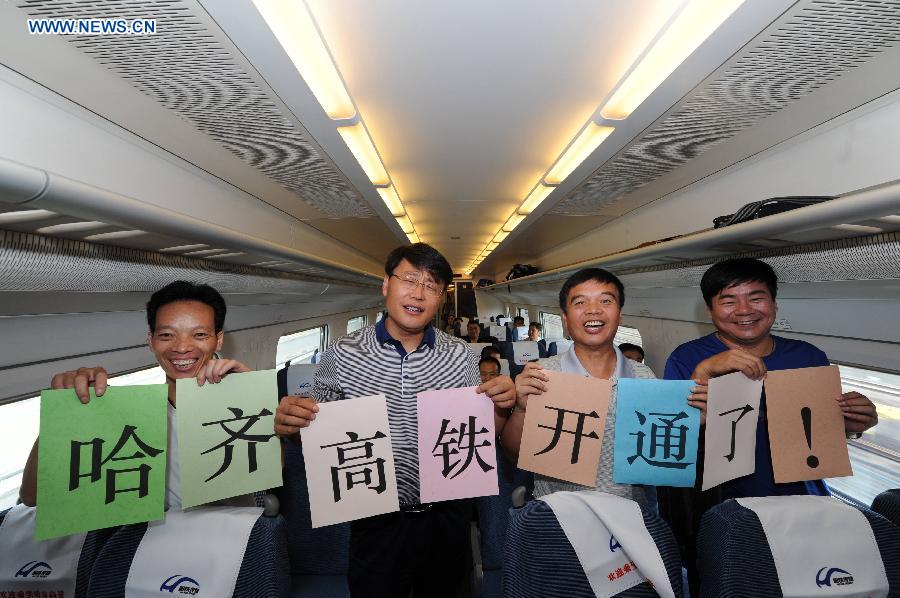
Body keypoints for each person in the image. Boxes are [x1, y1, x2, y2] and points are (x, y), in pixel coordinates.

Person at [274, 243, 516, 598]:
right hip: (375, 516)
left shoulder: (462, 355)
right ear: (386, 284)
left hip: (447, 516)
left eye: (432, 286)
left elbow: (480, 436)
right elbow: (316, 437)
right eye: (409, 280)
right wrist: (294, 426)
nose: (419, 293)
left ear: (440, 299)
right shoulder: (342, 352)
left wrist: (502, 406)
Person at [661, 258, 878, 596]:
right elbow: (670, 441)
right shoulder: (687, 358)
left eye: (756, 297)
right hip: (723, 510)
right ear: (709, 311)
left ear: (774, 304)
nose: (744, 310)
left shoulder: (808, 356)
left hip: (802, 504)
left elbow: (819, 431)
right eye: (729, 300)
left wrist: (854, 424)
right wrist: (705, 371)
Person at [19, 281, 254, 510]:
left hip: (233, 538)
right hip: (150, 542)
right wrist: (66, 413)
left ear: (218, 340)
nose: (182, 348)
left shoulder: (240, 404)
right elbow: (32, 496)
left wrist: (255, 399)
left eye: (199, 335)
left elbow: (280, 465)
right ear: (150, 341)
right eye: (167, 336)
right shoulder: (128, 415)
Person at [500, 268, 656, 506]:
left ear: (620, 315)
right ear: (564, 317)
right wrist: (521, 410)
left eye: (605, 300)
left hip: (628, 514)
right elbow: (514, 454)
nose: (593, 310)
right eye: (581, 302)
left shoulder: (643, 377)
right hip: (558, 514)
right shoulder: (542, 373)